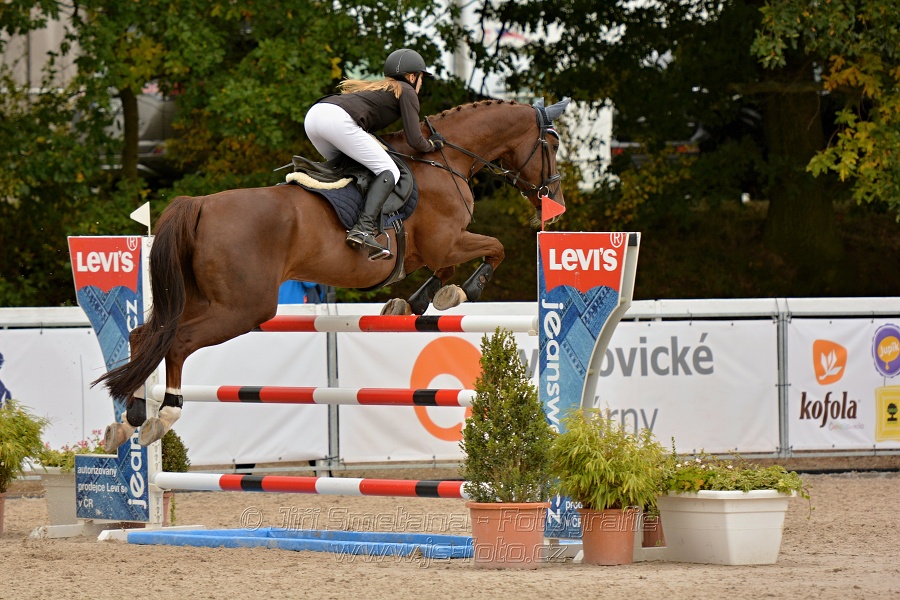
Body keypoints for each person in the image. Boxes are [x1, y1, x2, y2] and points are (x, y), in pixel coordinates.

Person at [304, 48, 445, 260]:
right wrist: (432, 145)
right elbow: (414, 140)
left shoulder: (381, 88)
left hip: (315, 117)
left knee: (352, 171)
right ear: (412, 77)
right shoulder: (406, 91)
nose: (421, 83)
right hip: (337, 120)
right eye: (421, 78)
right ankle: (363, 229)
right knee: (390, 171)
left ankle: (341, 221)